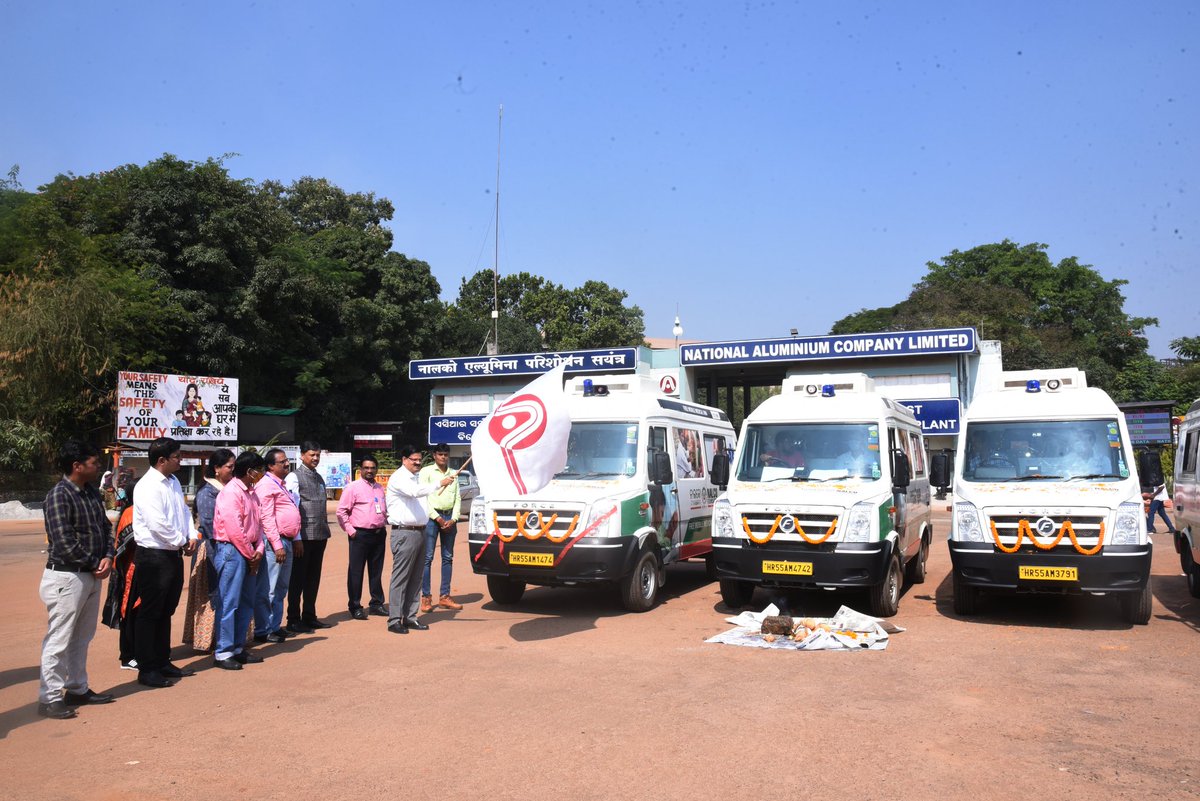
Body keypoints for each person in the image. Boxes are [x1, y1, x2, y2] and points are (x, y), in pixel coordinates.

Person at [37, 440, 116, 719]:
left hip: (90, 575)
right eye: (94, 463)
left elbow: (107, 528)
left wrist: (108, 555)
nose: (98, 468)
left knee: (82, 637)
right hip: (67, 576)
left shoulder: (91, 493)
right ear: (77, 466)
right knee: (59, 638)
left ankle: (77, 688)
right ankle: (49, 698)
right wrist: (96, 562)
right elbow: (64, 541)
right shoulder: (59, 495)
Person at [131, 436, 198, 688]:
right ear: (162, 460)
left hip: (172, 554)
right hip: (153, 555)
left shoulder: (173, 483)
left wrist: (191, 535)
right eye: (177, 457)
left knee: (166, 610)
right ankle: (147, 667)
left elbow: (183, 512)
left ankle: (162, 660)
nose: (180, 460)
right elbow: (156, 522)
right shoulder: (147, 486)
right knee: (151, 611)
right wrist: (182, 540)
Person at [384, 446, 454, 634]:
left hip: (421, 531)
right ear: (404, 459)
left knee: (416, 577)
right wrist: (440, 483)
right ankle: (394, 620)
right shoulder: (399, 478)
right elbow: (415, 492)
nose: (417, 463)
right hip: (405, 533)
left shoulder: (416, 477)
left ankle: (410, 617)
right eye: (413, 459)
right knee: (401, 578)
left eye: (418, 460)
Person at [211, 451, 267, 670]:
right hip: (232, 551)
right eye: (259, 470)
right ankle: (223, 651)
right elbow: (235, 529)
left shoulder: (252, 494)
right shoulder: (230, 493)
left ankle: (237, 647)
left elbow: (259, 525)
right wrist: (250, 554)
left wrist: (259, 549)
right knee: (229, 602)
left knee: (246, 602)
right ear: (249, 471)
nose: (261, 474)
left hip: (249, 551)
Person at [182, 448, 234, 653]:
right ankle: (209, 639)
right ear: (217, 468)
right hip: (212, 549)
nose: (233, 470)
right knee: (211, 594)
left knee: (225, 592)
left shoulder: (227, 489)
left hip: (226, 547)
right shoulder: (207, 493)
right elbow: (211, 525)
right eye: (229, 466)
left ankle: (224, 637)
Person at [255, 448, 301, 641]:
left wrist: (296, 538)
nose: (286, 464)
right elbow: (266, 518)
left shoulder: (281, 484)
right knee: (270, 588)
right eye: (281, 462)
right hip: (276, 542)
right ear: (270, 466)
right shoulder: (265, 485)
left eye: (286, 461)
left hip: (287, 540)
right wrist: (276, 544)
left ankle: (275, 626)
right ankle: (263, 630)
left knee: (281, 587)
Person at [285, 441, 331, 633]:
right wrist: (296, 538)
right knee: (297, 579)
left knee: (313, 578)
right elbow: (291, 508)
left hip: (320, 534)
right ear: (302, 455)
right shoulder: (294, 477)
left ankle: (309, 616)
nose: (315, 458)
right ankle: (293, 619)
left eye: (318, 455)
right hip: (302, 537)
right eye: (312, 454)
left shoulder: (319, 477)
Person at [337, 456, 389, 620]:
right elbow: (341, 512)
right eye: (366, 468)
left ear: (376, 469)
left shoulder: (380, 488)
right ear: (360, 469)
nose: (369, 471)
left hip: (378, 534)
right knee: (356, 572)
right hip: (359, 535)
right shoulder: (353, 487)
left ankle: (376, 604)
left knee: (376, 571)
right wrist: (351, 531)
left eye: (372, 468)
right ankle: (355, 606)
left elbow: (383, 509)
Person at [419, 444, 463, 613]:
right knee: (427, 558)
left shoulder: (454, 473)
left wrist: (454, 518)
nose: (443, 457)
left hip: (449, 517)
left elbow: (458, 497)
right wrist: (436, 517)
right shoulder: (426, 472)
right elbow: (423, 497)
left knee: (447, 557)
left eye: (446, 454)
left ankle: (445, 596)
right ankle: (426, 598)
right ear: (434, 455)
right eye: (440, 454)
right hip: (432, 518)